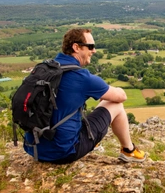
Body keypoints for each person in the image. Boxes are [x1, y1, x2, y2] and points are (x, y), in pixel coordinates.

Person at [23, 28, 146, 164]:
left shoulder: (46, 69)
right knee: (115, 104)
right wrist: (115, 89)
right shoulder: (81, 77)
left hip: (33, 148)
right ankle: (129, 151)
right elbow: (121, 97)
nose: (94, 50)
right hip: (64, 152)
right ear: (76, 47)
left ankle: (94, 143)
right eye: (90, 46)